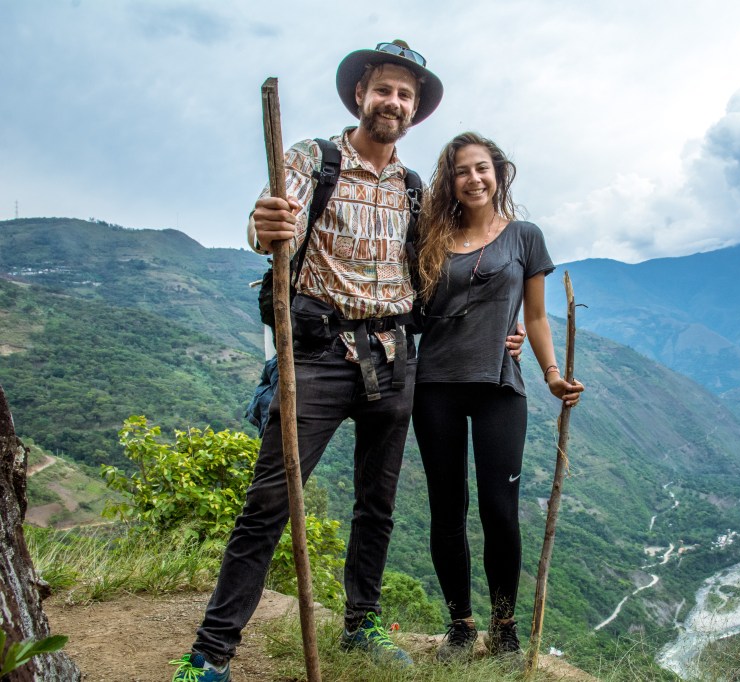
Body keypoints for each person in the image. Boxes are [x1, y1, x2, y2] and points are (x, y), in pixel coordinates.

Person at [171, 41, 521, 681]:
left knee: (377, 504)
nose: (394, 102)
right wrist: (262, 226)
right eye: (384, 89)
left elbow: (441, 275)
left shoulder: (414, 189)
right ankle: (210, 654)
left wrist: (504, 332)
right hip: (317, 356)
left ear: (415, 111)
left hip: (395, 358)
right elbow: (271, 224)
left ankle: (360, 624)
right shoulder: (314, 160)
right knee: (270, 503)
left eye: (406, 95)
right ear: (360, 93)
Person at [412, 132, 584, 663]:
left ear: (499, 173)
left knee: (500, 512)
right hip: (435, 385)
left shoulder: (524, 237)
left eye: (482, 168)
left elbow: (534, 316)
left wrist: (552, 374)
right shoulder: (428, 238)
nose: (474, 178)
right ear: (451, 180)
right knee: (447, 510)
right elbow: (413, 313)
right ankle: (460, 626)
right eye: (462, 171)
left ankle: (504, 628)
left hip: (499, 388)